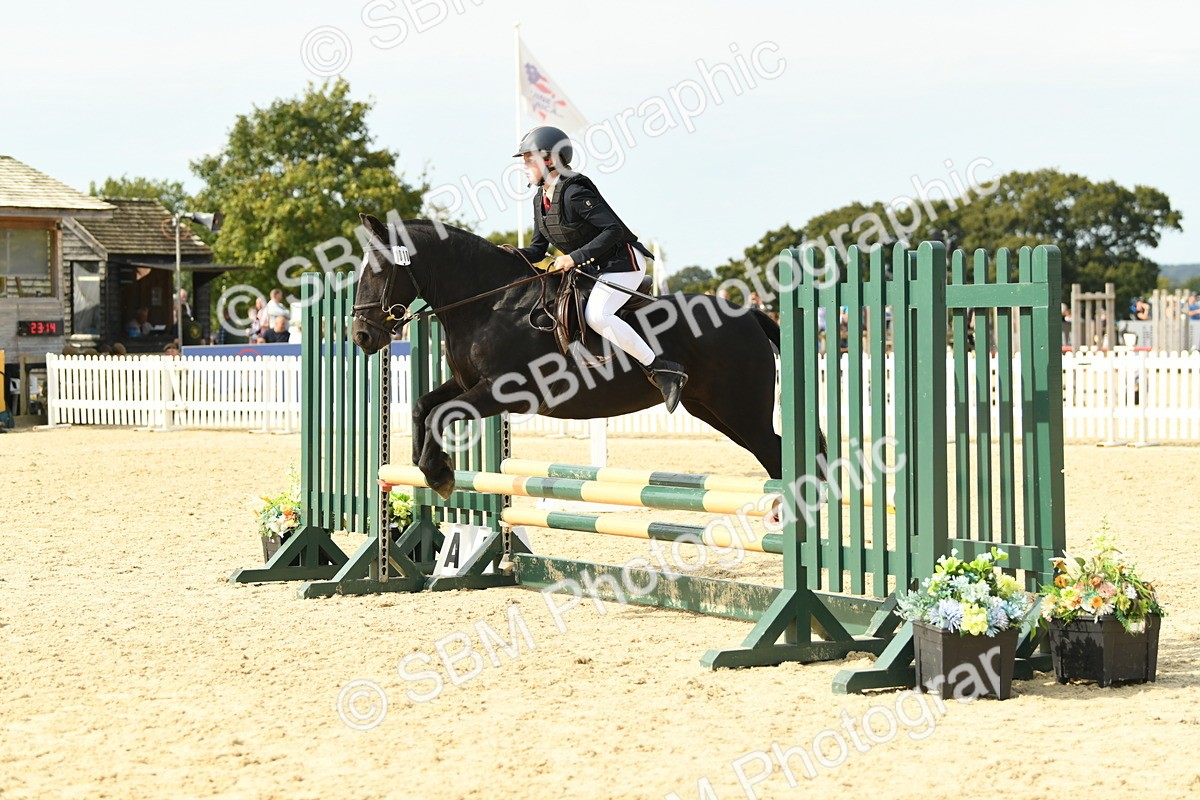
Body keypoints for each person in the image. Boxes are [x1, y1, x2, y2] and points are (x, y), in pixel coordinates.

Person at [512, 126, 687, 411]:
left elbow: (613, 230)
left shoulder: (574, 192)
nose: (524, 167)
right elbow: (537, 250)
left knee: (597, 315)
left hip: (622, 263)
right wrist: (505, 254)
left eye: (529, 160)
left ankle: (661, 369)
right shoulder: (539, 200)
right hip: (591, 271)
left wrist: (573, 258)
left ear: (550, 160)